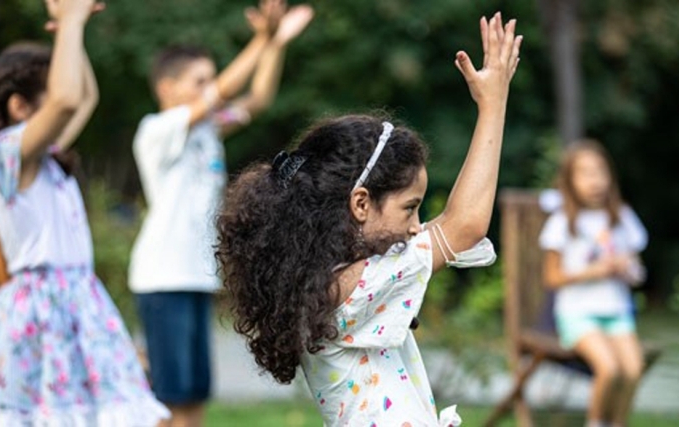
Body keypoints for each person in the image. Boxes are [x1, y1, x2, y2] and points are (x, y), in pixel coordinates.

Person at [215, 13, 521, 426]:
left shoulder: (323, 280)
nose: (417, 225)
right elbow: (463, 226)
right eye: (409, 207)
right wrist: (493, 104)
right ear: (361, 203)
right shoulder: (353, 286)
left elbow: (450, 226)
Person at [0, 1, 169, 424]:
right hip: (40, 313)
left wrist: (67, 28)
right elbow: (65, 100)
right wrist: (72, 22)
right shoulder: (4, 157)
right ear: (20, 106)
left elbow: (83, 97)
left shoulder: (47, 156)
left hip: (79, 303)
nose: (65, 94)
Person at [127, 1, 314, 426]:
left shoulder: (209, 128)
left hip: (194, 278)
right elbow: (226, 92)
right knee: (169, 398)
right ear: (168, 88)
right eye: (200, 80)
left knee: (193, 393)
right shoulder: (158, 131)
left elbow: (257, 99)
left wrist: (275, 45)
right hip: (164, 279)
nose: (211, 86)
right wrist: (261, 38)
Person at [540, 140, 648, 427]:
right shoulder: (562, 222)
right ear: (569, 181)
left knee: (634, 369)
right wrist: (592, 272)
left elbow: (638, 274)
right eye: (585, 173)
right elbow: (551, 278)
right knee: (610, 369)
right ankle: (596, 422)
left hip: (617, 311)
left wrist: (627, 268)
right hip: (577, 313)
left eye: (600, 172)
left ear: (610, 177)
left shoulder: (622, 218)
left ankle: (618, 423)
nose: (595, 180)